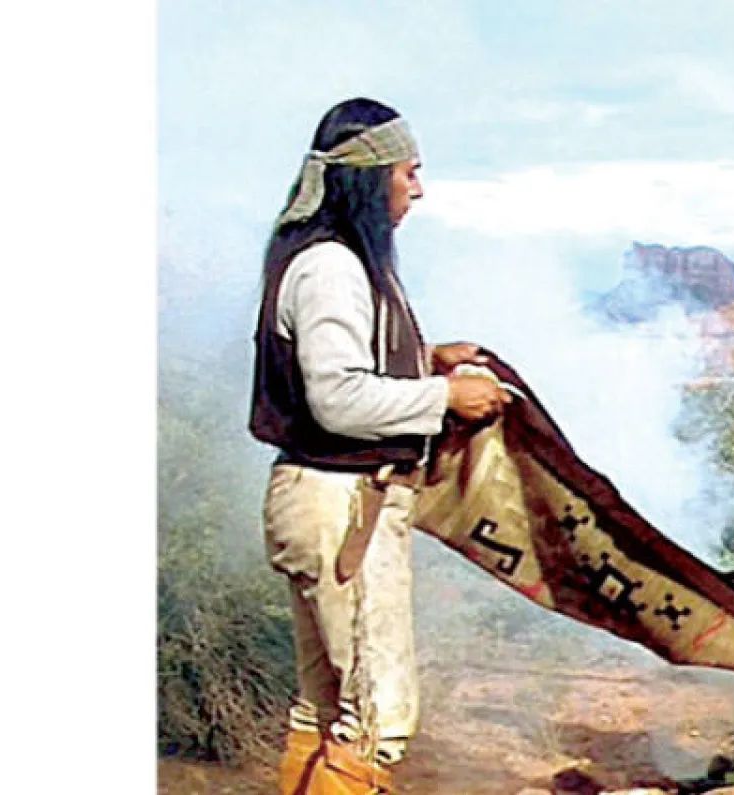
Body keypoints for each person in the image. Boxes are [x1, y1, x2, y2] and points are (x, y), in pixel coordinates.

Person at [249, 97, 511, 794]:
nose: (417, 190)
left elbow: (337, 369)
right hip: (345, 508)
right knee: (375, 718)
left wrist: (425, 359)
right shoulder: (333, 268)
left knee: (326, 706)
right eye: (408, 172)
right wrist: (443, 396)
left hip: (324, 501)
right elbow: (337, 398)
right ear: (368, 178)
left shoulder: (325, 260)